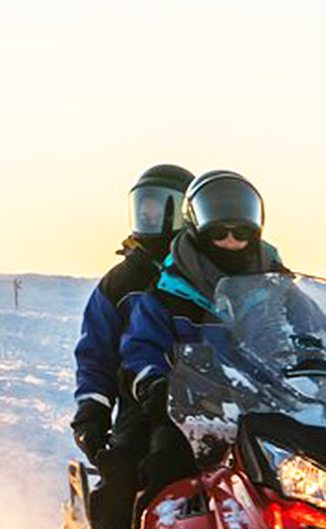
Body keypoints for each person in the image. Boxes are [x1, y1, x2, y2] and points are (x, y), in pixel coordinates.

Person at [119, 170, 287, 507]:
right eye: (219, 233)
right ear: (199, 232)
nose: (230, 242)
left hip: (271, 411)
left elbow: (320, 331)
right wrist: (153, 382)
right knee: (162, 479)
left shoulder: (276, 284)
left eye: (240, 233)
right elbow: (140, 349)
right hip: (193, 416)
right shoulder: (167, 293)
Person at [72, 164, 195, 529]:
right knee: (125, 462)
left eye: (166, 208)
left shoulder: (208, 272)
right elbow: (96, 354)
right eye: (145, 208)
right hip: (144, 403)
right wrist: (92, 410)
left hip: (221, 401)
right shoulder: (122, 282)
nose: (154, 219)